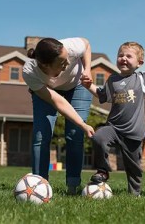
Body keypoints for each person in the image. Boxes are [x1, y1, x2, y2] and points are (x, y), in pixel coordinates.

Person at [81, 42, 145, 196]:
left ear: (139, 63)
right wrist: (87, 85)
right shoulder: (112, 80)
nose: (123, 58)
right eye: (120, 55)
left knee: (133, 168)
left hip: (133, 133)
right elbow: (102, 95)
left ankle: (134, 195)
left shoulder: (142, 79)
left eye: (129, 56)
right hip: (113, 128)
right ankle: (103, 171)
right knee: (98, 138)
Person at [22, 37, 95, 195]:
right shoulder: (30, 72)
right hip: (48, 90)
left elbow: (86, 44)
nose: (68, 63)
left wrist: (87, 69)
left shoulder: (70, 47)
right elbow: (57, 102)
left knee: (75, 133)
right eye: (62, 62)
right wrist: (83, 125)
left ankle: (72, 186)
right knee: (41, 135)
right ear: (45, 65)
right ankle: (38, 187)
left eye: (67, 58)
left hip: (77, 86)